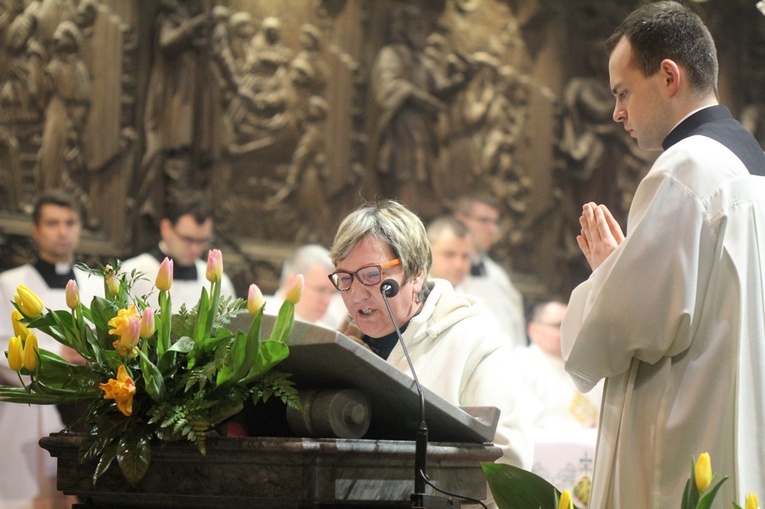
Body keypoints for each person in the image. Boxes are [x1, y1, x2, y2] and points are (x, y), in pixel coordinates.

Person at [561, 2, 765, 507]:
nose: (618, 113)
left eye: (623, 92)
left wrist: (610, 271)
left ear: (669, 76)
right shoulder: (751, 163)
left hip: (681, 440)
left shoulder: (686, 168)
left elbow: (631, 328)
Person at [328, 200, 533, 477]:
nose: (356, 294)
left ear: (416, 273)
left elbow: (509, 460)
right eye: (345, 278)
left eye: (371, 275)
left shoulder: (475, 342)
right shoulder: (335, 350)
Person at [0, 189, 101, 505]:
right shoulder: (9, 284)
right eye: (53, 223)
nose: (63, 231)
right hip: (30, 412)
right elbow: (2, 349)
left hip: (90, 412)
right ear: (36, 230)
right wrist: (58, 356)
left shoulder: (97, 285)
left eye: (70, 222)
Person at [121, 193, 236, 309]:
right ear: (165, 228)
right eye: (187, 239)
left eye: (202, 241)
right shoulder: (131, 273)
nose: (195, 249)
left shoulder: (219, 284)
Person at [454, 193, 526, 349]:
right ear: (460, 220)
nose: (492, 229)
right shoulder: (440, 270)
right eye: (484, 220)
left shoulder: (498, 274)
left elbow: (516, 331)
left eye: (495, 222)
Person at [518, 299, 601, 429]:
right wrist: (576, 431)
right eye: (560, 326)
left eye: (574, 325)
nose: (570, 332)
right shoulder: (521, 365)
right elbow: (528, 423)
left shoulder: (589, 366)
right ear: (534, 331)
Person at [265, 244, 345, 329]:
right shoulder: (259, 317)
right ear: (292, 283)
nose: (327, 301)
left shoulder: (329, 332)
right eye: (320, 290)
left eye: (332, 293)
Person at [426, 215, 472, 288]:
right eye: (449, 255)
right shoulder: (410, 296)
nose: (459, 265)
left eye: (465, 256)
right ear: (427, 253)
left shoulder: (480, 295)